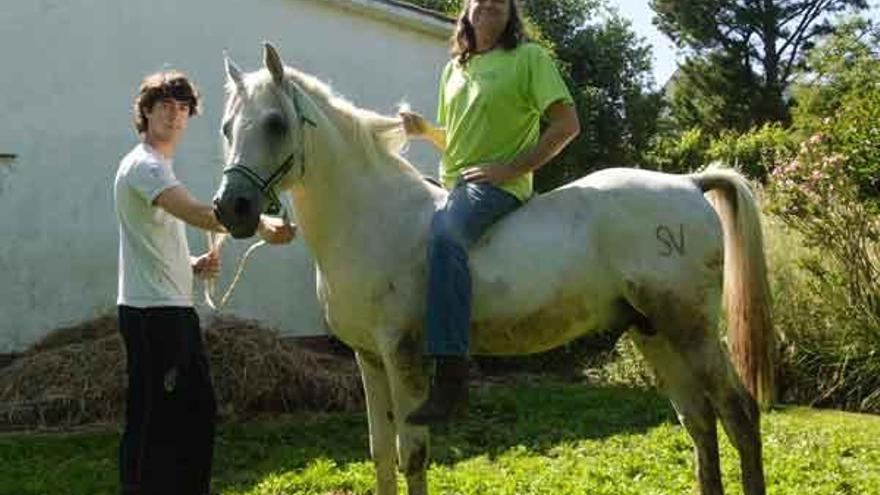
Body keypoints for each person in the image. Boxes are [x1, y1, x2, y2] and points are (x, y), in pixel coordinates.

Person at [401, 0, 580, 425]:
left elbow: (567, 126)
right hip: (453, 184)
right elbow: (457, 143)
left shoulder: (529, 58)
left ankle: (450, 379)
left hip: (498, 188)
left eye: (501, 5)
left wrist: (510, 170)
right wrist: (425, 131)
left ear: (510, 14)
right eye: (483, 3)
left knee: (445, 237)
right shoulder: (454, 70)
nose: (490, 8)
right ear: (467, 9)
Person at [114, 70, 294, 495]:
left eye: (182, 108)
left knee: (193, 413)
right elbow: (196, 214)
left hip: (171, 308)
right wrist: (262, 225)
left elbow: (155, 237)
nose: (174, 116)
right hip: (150, 315)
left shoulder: (158, 167)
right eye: (164, 107)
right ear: (145, 112)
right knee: (153, 419)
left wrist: (191, 264)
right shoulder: (144, 166)